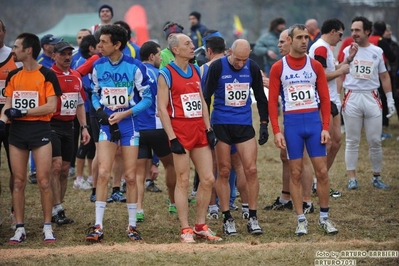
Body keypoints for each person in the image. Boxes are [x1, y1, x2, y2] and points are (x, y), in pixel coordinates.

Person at [268, 24, 338, 236]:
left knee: (322, 172)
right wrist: (277, 131)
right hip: (292, 125)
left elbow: (325, 99)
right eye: (299, 37)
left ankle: (324, 218)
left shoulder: (315, 65)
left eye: (306, 37)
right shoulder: (278, 67)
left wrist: (326, 127)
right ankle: (301, 219)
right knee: (295, 173)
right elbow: (272, 103)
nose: (304, 41)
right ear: (289, 40)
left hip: (314, 124)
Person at [85, 25, 152, 242]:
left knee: (131, 177)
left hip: (129, 124)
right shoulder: (98, 65)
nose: (99, 46)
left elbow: (148, 99)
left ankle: (132, 226)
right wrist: (99, 111)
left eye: (103, 42)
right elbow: (94, 94)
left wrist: (125, 114)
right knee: (103, 173)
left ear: (117, 44)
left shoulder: (135, 66)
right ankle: (98, 226)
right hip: (106, 124)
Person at [157, 33, 222, 243]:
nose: (193, 46)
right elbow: (162, 108)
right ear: (175, 49)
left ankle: (201, 225)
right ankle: (185, 229)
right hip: (180, 131)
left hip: (198, 130)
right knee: (183, 180)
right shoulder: (165, 74)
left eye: (192, 43)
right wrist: (172, 137)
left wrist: (208, 127)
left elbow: (201, 100)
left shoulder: (195, 69)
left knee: (208, 178)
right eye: (187, 44)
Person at [1, 32, 62, 244]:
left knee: (44, 181)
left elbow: (51, 106)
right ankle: (19, 228)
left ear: (28, 50)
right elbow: (8, 104)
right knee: (18, 181)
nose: (13, 50)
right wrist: (2, 121)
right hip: (17, 132)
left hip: (40, 130)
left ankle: (47, 227)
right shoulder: (13, 76)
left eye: (17, 47)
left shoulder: (47, 74)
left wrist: (24, 112)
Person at [204, 39, 269, 236]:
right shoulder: (216, 67)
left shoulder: (252, 66)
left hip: (243, 124)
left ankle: (253, 216)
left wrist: (264, 124)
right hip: (221, 124)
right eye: (237, 59)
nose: (240, 64)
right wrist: (208, 129)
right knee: (223, 171)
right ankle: (227, 217)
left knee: (251, 169)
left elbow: (260, 95)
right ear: (229, 52)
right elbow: (205, 98)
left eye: (244, 59)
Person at [263, 29, 314, 213]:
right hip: (290, 118)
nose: (279, 45)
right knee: (286, 157)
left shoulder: (308, 63)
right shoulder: (281, 65)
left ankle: (307, 201)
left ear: (291, 41)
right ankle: (286, 198)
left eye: (282, 41)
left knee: (303, 159)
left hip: (307, 119)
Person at [200, 34, 249, 220]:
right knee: (239, 166)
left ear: (209, 51)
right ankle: (241, 205)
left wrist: (206, 126)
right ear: (228, 49)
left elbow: (203, 99)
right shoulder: (243, 64)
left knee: (214, 167)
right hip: (238, 123)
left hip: (216, 123)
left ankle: (213, 207)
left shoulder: (205, 68)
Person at [342, 16, 395, 190]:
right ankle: (352, 178)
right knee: (352, 140)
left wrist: (390, 98)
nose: (353, 34)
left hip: (372, 97)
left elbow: (384, 75)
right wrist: (335, 97)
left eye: (357, 30)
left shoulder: (377, 51)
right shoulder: (347, 50)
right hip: (352, 97)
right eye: (352, 30)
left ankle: (377, 177)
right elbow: (340, 70)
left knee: (375, 140)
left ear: (367, 31)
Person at [308, 18, 357, 197]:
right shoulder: (320, 47)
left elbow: (330, 68)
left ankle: (318, 180)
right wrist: (340, 72)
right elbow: (318, 75)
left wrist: (348, 60)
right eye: (340, 34)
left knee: (336, 142)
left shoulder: (325, 48)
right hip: (323, 100)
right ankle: (319, 181)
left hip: (331, 100)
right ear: (333, 31)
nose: (340, 38)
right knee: (328, 143)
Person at [135, 41, 177, 222]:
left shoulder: (133, 72)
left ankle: (138, 208)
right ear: (152, 56)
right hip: (159, 128)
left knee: (138, 173)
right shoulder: (160, 73)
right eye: (159, 55)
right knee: (170, 165)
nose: (161, 58)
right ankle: (173, 202)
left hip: (138, 129)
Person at [0, 19, 22, 229]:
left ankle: (15, 212)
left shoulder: (16, 58)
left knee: (16, 169)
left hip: (12, 119)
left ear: (4, 32)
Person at [369, 20, 397, 139]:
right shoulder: (381, 41)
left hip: (368, 73)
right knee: (382, 99)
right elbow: (392, 56)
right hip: (381, 72)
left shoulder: (368, 40)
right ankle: (382, 124)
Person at [383, 24, 399, 121]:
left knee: (396, 98)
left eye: (390, 31)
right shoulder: (379, 44)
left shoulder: (395, 45)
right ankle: (384, 121)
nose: (389, 33)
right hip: (384, 74)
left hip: (394, 74)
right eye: (386, 31)